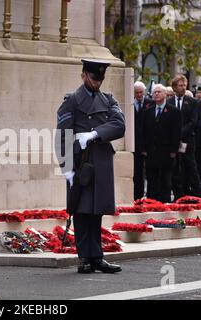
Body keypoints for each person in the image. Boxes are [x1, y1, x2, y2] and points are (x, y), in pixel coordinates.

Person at [56, 59, 125, 274]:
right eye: (94, 78)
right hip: (81, 162)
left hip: (101, 160)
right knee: (82, 211)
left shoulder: (108, 99)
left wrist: (95, 134)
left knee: (97, 212)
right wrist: (67, 168)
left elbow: (120, 125)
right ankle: (84, 257)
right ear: (84, 75)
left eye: (100, 79)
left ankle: (97, 257)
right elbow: (62, 136)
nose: (97, 83)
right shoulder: (72, 100)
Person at [142, 84, 181, 203]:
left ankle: (165, 200)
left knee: (166, 178)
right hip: (151, 151)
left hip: (167, 150)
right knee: (151, 178)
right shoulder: (147, 110)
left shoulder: (174, 111)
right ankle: (151, 201)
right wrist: (143, 148)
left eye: (159, 92)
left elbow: (176, 132)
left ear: (165, 94)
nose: (156, 94)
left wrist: (174, 150)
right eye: (154, 92)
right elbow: (143, 130)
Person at [168, 75, 201, 199]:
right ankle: (179, 195)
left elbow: (193, 122)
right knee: (175, 167)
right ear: (174, 87)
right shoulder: (170, 102)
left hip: (187, 140)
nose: (183, 88)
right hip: (173, 141)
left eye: (184, 85)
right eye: (180, 85)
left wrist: (180, 133)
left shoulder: (192, 102)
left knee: (191, 166)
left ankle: (198, 195)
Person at [133, 81, 154, 200]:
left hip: (147, 143)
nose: (139, 95)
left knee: (149, 172)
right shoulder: (130, 104)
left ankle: (150, 195)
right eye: (137, 93)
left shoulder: (150, 103)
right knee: (137, 172)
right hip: (135, 143)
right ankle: (137, 195)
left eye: (141, 92)